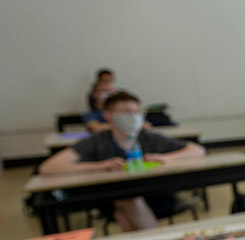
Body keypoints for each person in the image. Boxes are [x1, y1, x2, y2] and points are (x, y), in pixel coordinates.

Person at [39, 91, 206, 231]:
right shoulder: (97, 141)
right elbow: (49, 167)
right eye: (125, 112)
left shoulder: (148, 138)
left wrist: (165, 158)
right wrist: (99, 166)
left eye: (137, 112)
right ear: (108, 115)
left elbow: (197, 150)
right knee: (127, 201)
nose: (132, 117)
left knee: (124, 211)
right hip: (111, 198)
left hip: (154, 195)